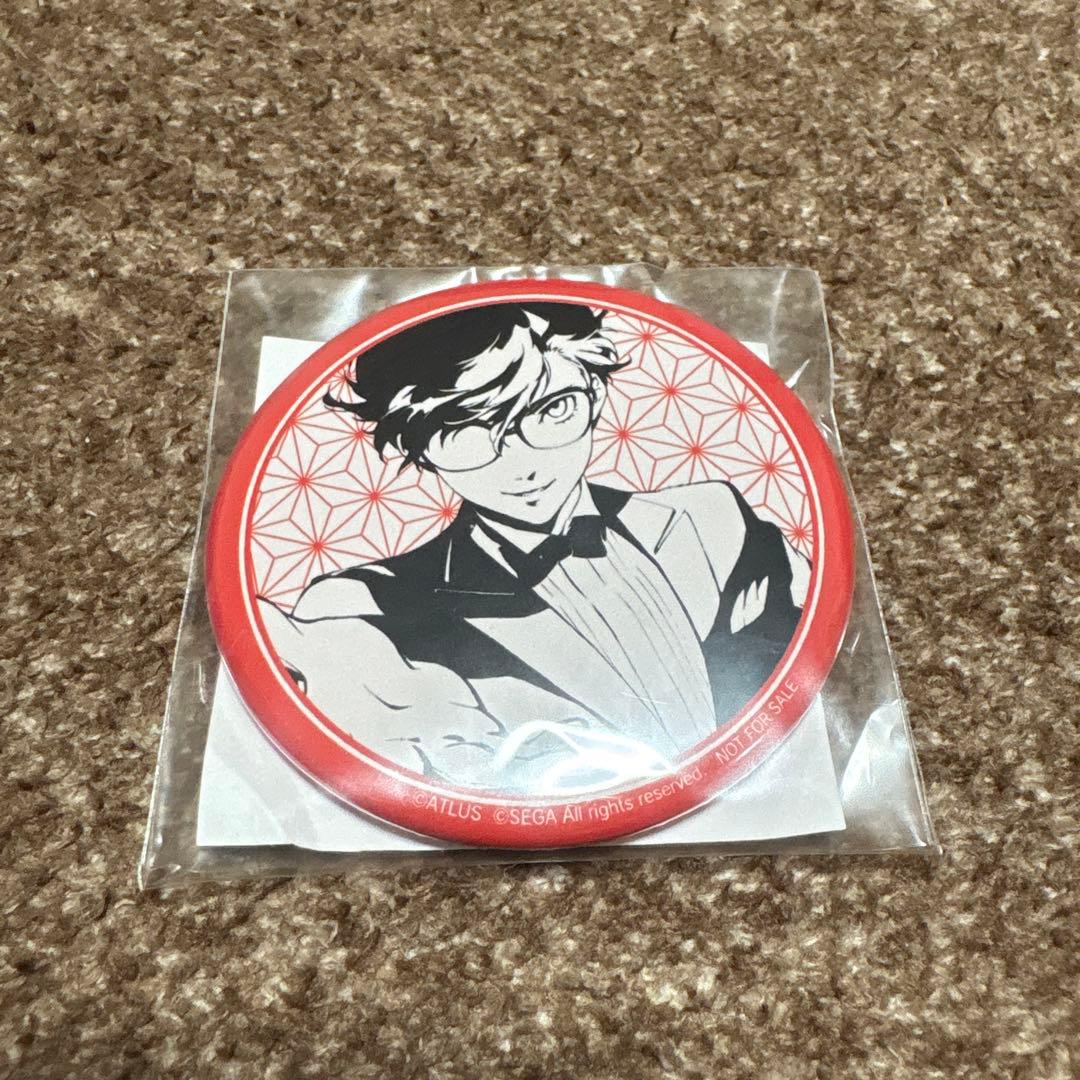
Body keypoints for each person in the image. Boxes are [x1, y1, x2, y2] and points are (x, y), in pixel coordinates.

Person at [258, 302, 809, 794]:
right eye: (464, 432)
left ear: (595, 393)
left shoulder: (712, 520)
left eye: (553, 410)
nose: (522, 462)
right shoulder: (368, 604)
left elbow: (789, 672)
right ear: (418, 448)